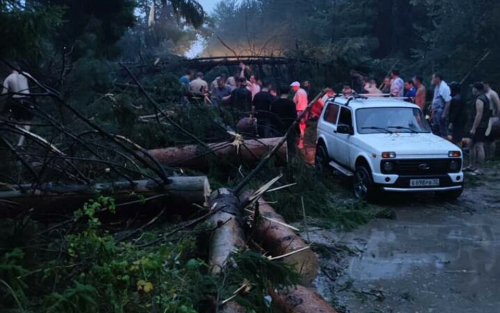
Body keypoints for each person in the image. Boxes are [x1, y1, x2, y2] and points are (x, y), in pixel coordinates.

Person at [2, 67, 33, 146]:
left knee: (17, 121)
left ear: (9, 70)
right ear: (19, 68)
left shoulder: (8, 78)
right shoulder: (25, 74)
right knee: (27, 122)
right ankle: (20, 143)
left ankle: (18, 142)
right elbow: (35, 82)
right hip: (27, 99)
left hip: (15, 101)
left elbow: (4, 93)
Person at [465, 82, 492, 176]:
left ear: (476, 89)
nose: (472, 90)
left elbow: (479, 114)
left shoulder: (480, 99)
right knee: (471, 145)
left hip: (479, 126)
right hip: (480, 125)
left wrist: (474, 128)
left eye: (473, 88)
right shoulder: (483, 97)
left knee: (479, 145)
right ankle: (471, 165)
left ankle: (480, 169)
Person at [270, 86, 298, 155]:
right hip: (289, 129)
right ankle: (290, 162)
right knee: (290, 148)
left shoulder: (274, 103)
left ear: (279, 92)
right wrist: (298, 130)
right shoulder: (291, 104)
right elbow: (295, 118)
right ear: (288, 93)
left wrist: (272, 128)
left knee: (278, 148)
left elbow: (272, 117)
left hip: (278, 128)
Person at [431, 73, 452, 138]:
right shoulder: (437, 87)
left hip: (441, 111)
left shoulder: (444, 87)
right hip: (436, 112)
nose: (432, 79)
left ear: (437, 78)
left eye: (433, 78)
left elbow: (448, 101)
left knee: (443, 131)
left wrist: (444, 114)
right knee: (436, 130)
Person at [484, 81, 500, 158]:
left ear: (487, 84)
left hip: (493, 118)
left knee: (491, 139)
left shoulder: (493, 94)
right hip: (486, 118)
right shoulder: (485, 94)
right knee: (486, 138)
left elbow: (498, 106)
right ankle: (487, 155)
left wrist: (496, 117)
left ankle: (491, 156)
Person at [291, 81, 308, 149]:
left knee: (300, 127)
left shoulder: (299, 92)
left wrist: (295, 109)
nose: (292, 88)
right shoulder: (303, 91)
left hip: (300, 111)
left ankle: (300, 143)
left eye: (293, 87)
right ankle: (300, 142)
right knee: (302, 127)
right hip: (305, 110)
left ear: (296, 86)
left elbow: (298, 102)